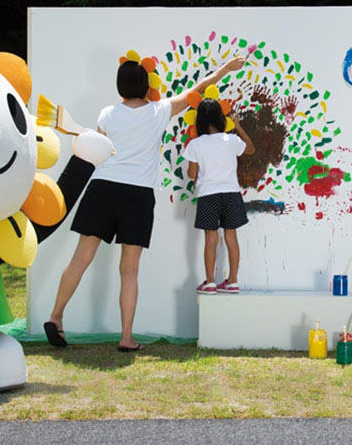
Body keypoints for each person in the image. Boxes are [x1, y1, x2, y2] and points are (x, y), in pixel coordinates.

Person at [44, 55, 247, 351]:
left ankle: (56, 318)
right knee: (129, 270)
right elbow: (200, 89)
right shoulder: (159, 111)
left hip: (102, 188)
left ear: (120, 86)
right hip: (137, 195)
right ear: (146, 85)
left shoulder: (107, 114)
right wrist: (226, 69)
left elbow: (99, 150)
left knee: (80, 259)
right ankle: (126, 338)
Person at [185, 97, 255, 294]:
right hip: (231, 193)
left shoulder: (195, 144)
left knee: (210, 238)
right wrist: (238, 127)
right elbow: (250, 149)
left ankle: (210, 283)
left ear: (199, 120)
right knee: (231, 236)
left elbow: (191, 174)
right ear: (220, 118)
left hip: (208, 194)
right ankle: (232, 281)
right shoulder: (231, 140)